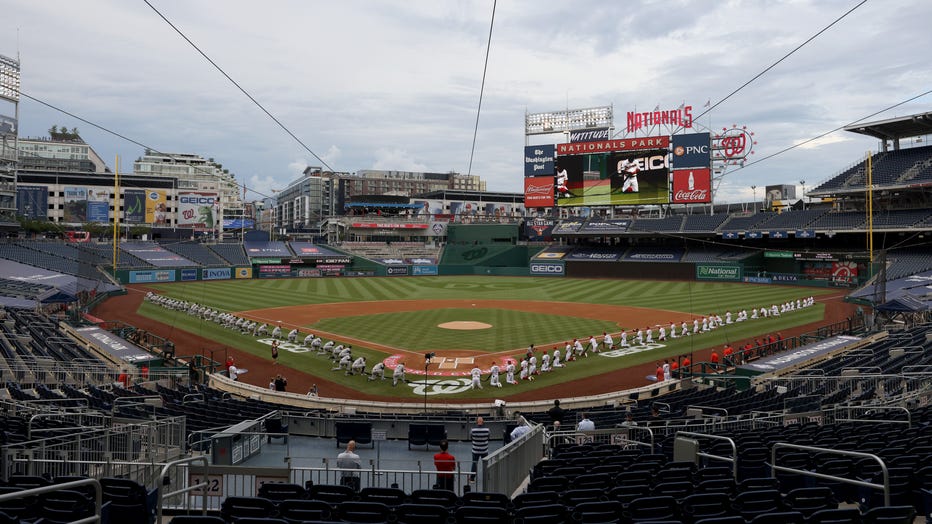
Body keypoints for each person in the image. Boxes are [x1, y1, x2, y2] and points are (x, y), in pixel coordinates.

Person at [469, 417, 490, 482]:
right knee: (486, 464)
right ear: (483, 422)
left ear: (477, 422)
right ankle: (487, 477)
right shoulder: (487, 430)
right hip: (484, 450)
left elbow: (471, 438)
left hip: (475, 450)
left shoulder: (473, 430)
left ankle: (472, 479)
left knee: (474, 464)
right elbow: (488, 438)